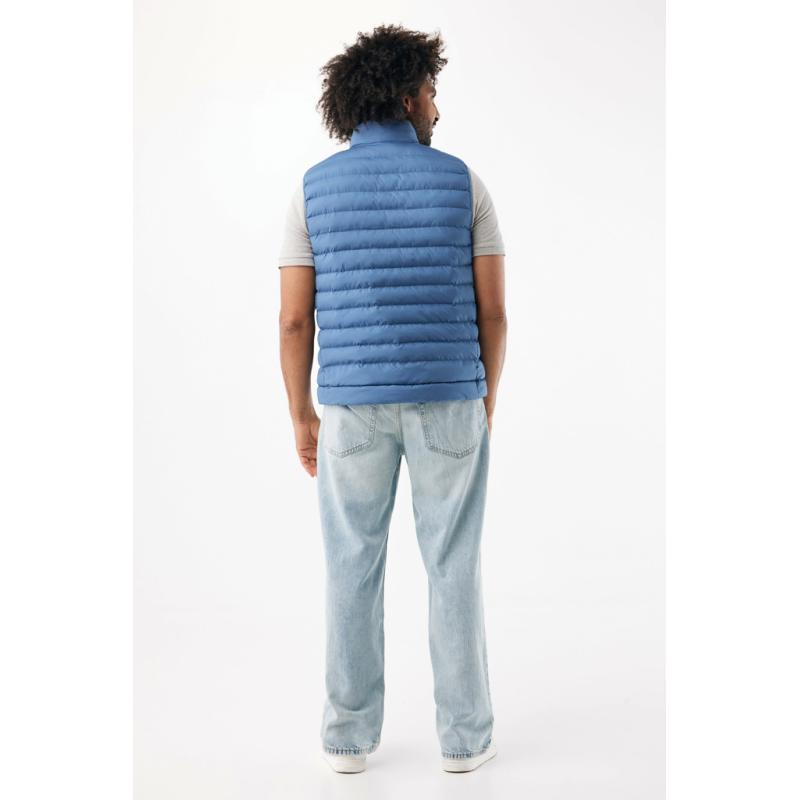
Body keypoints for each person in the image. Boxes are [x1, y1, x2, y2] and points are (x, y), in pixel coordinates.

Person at [278, 23, 507, 774]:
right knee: (454, 566)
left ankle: (347, 739)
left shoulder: (311, 190)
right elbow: (494, 313)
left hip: (351, 408)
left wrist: (302, 415)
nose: (437, 107)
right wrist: (484, 399)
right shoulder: (465, 183)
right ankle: (465, 741)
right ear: (406, 97)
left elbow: (293, 320)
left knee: (351, 567)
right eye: (432, 92)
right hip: (449, 398)